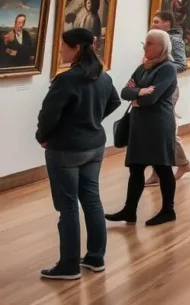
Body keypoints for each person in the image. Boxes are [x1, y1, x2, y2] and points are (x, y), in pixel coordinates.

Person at [35, 28, 121, 280]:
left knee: (68, 206)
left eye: (63, 46)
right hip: (95, 146)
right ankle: (95, 257)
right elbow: (114, 102)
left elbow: (48, 114)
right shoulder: (103, 77)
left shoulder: (66, 80)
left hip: (66, 150)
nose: (61, 50)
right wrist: (93, 120)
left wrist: (43, 137)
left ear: (76, 49)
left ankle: (69, 265)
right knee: (92, 199)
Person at [106, 30, 178, 227]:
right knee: (136, 168)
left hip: (158, 125)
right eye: (145, 43)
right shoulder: (143, 68)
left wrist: (137, 97)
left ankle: (168, 210)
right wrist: (139, 93)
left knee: (162, 168)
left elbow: (153, 98)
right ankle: (129, 210)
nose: (144, 47)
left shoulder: (167, 68)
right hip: (139, 125)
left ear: (161, 47)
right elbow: (124, 92)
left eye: (149, 44)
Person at [147, 12, 190, 184]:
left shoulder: (174, 40)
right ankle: (174, 166)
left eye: (157, 21)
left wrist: (159, 66)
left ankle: (177, 165)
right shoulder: (157, 38)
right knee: (158, 131)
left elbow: (181, 64)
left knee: (165, 131)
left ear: (167, 23)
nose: (153, 24)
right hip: (154, 86)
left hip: (167, 90)